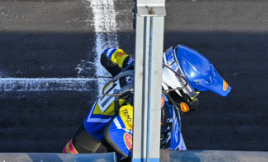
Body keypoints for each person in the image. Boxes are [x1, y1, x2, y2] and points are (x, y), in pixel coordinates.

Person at [64, 45, 231, 157]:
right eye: (194, 90)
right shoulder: (149, 103)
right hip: (91, 153)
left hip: (85, 136)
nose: (194, 96)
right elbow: (115, 134)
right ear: (176, 81)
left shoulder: (137, 71)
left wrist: (129, 62)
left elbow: (109, 53)